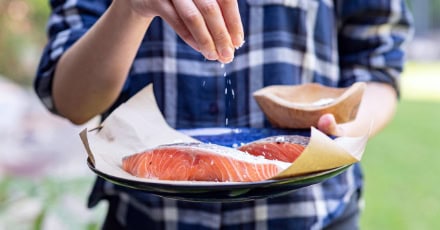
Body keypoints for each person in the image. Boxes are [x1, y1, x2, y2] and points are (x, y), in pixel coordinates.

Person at [35, 0, 413, 229]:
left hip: (315, 216)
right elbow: (71, 102)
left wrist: (344, 126)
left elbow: (377, 66)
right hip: (147, 218)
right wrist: (130, 8)